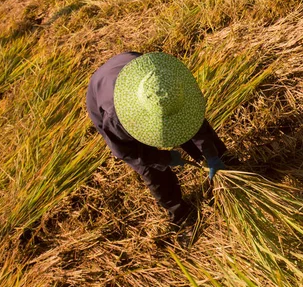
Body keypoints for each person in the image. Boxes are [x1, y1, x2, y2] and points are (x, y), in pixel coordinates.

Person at [86, 51, 227, 227]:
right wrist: (163, 159)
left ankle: (225, 164)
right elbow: (129, 153)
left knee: (184, 122)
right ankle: (180, 215)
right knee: (151, 171)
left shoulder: (172, 84)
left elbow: (193, 121)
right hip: (100, 91)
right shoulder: (117, 119)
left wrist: (211, 153)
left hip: (136, 68)